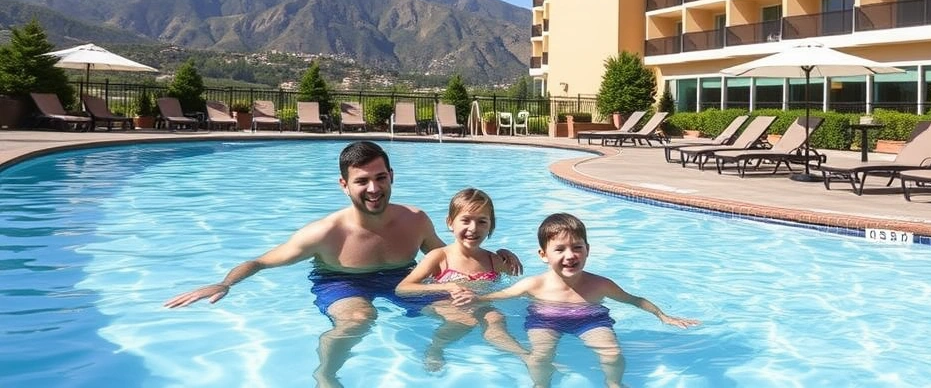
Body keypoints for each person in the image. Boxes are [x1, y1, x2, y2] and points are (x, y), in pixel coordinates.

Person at [163, 140, 522, 388]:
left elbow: (450, 257)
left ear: (391, 178)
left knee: (464, 316)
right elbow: (261, 261)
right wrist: (225, 283)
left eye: (380, 178)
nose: (373, 188)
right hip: (341, 282)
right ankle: (327, 375)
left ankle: (448, 354)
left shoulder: (415, 220)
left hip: (401, 277)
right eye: (361, 181)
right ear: (344, 185)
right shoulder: (325, 233)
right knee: (359, 317)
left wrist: (498, 257)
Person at [469, 212, 700, 388]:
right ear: (543, 255)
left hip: (590, 320)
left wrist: (663, 316)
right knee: (539, 357)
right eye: (559, 249)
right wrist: (475, 298)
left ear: (587, 250)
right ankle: (541, 384)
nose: (570, 255)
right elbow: (501, 295)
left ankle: (614, 383)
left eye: (577, 247)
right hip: (545, 320)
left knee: (612, 355)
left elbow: (635, 300)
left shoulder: (600, 284)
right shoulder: (535, 284)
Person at [396, 187, 527, 371]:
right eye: (465, 220)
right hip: (441, 303)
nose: (473, 228)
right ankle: (436, 348)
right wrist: (447, 286)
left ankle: (524, 355)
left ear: (491, 226)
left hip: (478, 303)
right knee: (464, 319)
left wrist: (509, 256)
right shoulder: (439, 256)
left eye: (482, 221)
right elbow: (403, 288)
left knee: (496, 317)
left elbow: (513, 279)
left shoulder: (493, 260)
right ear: (450, 222)